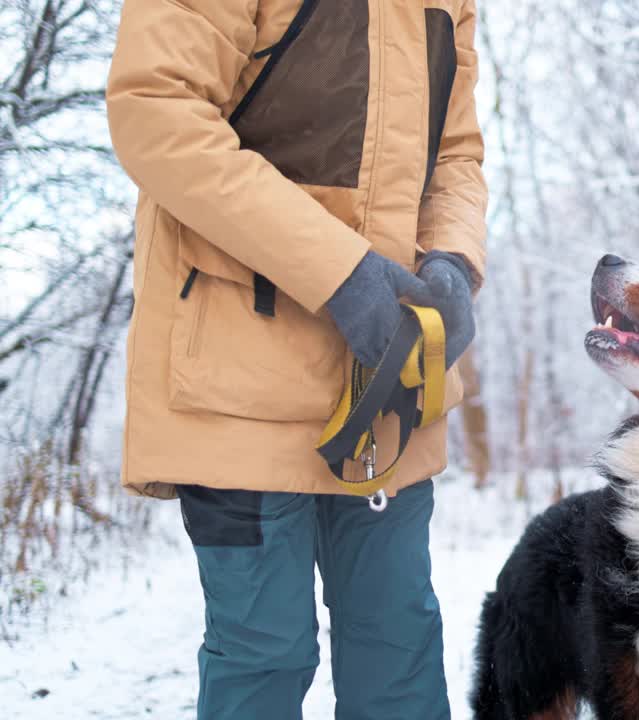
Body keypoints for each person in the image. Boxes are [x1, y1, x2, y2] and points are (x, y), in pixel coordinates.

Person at [105, 0, 486, 717]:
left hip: (389, 381)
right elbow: (157, 114)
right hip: (230, 379)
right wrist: (338, 272)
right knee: (265, 653)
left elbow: (456, 152)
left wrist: (454, 262)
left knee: (398, 648)